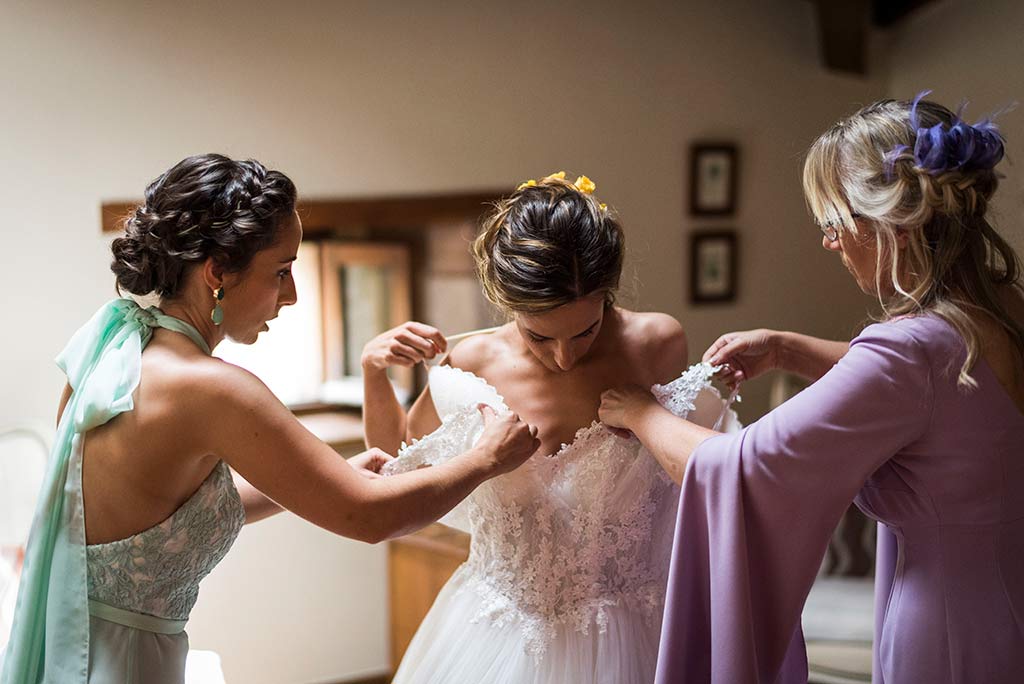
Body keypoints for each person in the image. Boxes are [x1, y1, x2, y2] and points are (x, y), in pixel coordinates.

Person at [0, 154, 540, 684]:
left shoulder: (113, 350)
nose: (293, 294)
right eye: (281, 271)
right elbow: (369, 520)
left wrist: (325, 475)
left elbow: (157, 518)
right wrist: (486, 458)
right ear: (217, 273)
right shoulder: (214, 389)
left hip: (78, 647)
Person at [599, 93, 1024, 683]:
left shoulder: (912, 349)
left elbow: (743, 470)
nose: (829, 243)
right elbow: (946, 403)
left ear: (890, 226)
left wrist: (642, 411)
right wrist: (788, 349)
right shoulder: (1001, 311)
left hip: (949, 633)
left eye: (834, 223)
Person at [361, 172, 732, 684]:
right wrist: (373, 373)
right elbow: (393, 471)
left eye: (587, 330)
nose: (564, 356)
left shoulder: (657, 344)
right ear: (504, 302)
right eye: (539, 335)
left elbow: (703, 476)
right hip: (496, 637)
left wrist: (651, 419)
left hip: (636, 634)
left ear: (608, 294)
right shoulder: (473, 361)